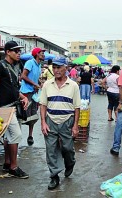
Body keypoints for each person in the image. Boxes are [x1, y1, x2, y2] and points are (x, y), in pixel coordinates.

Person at [40, 57, 81, 190]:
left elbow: (77, 107)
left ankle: (70, 163)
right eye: (54, 67)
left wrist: (75, 125)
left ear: (66, 68)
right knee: (51, 150)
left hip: (67, 121)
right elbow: (43, 105)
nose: (56, 70)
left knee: (67, 149)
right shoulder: (47, 84)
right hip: (50, 120)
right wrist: (43, 122)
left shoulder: (73, 85)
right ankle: (54, 176)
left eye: (59, 67)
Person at [0, 40, 29, 179]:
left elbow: (13, 86)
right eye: (15, 51)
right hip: (5, 108)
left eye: (19, 51)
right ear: (8, 52)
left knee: (10, 136)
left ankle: (7, 163)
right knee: (17, 135)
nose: (18, 53)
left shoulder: (16, 65)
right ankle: (14, 167)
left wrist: (22, 96)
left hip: (15, 105)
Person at [20, 47, 45, 145]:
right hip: (26, 92)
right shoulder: (30, 63)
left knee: (34, 115)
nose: (43, 55)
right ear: (36, 54)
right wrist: (33, 84)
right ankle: (18, 135)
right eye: (41, 53)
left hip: (34, 93)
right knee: (23, 114)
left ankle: (30, 135)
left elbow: (35, 78)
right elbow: (23, 76)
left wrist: (38, 83)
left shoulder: (39, 65)